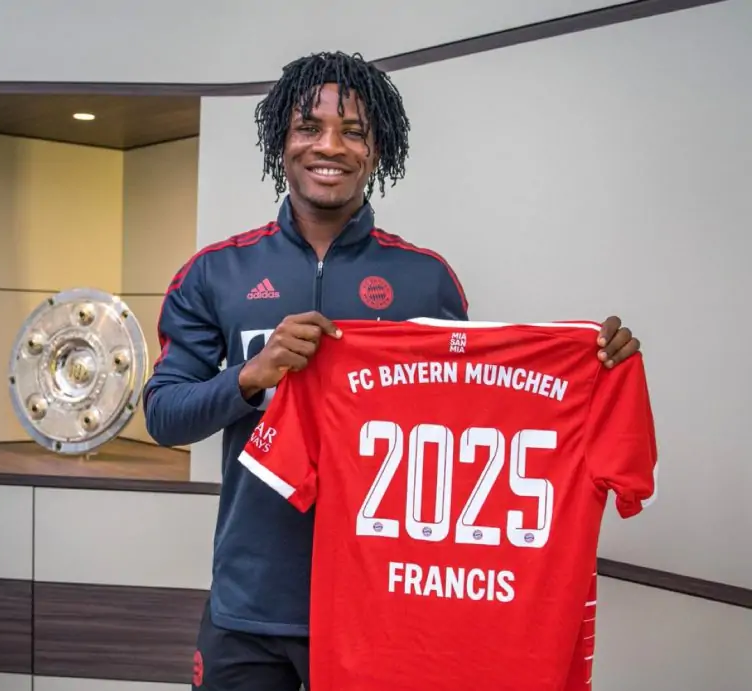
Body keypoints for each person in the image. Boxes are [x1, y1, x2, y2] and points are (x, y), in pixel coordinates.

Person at [143, 51, 642, 691]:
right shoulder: (217, 272)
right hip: (251, 604)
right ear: (281, 140)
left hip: (385, 611)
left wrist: (589, 366)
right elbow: (164, 416)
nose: (330, 146)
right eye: (309, 127)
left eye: (353, 131)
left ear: (377, 150)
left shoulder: (424, 280)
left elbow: (475, 425)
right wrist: (252, 374)